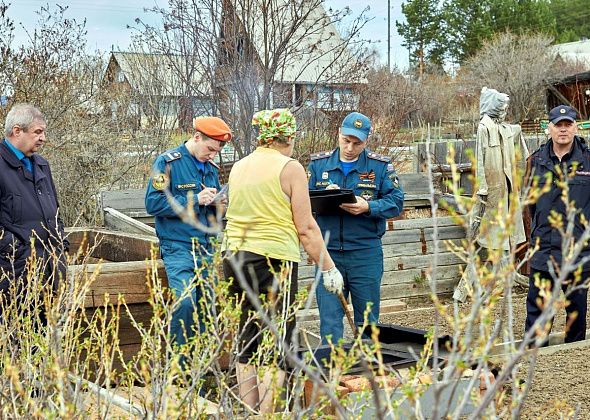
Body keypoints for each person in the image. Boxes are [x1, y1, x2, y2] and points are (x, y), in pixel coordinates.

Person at [222, 108, 342, 413]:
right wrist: (328, 267)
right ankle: (267, 415)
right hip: (272, 261)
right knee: (277, 343)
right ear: (287, 135)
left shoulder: (239, 166)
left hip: (234, 258)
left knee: (248, 339)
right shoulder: (290, 168)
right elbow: (305, 227)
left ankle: (249, 413)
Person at [308, 112, 404, 344]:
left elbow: (397, 202)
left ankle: (366, 375)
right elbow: (302, 203)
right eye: (346, 141)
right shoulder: (318, 164)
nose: (350, 147)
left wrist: (369, 206)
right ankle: (332, 375)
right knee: (330, 323)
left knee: (368, 324)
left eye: (357, 143)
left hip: (365, 254)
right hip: (328, 254)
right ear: (338, 134)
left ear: (366, 141)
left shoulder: (380, 167)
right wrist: (323, 196)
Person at [145, 116, 232, 353]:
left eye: (217, 151)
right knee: (185, 303)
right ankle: (180, 374)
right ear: (196, 137)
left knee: (208, 309)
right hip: (179, 247)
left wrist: (218, 204)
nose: (213, 155)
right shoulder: (167, 163)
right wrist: (194, 199)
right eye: (210, 149)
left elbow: (212, 211)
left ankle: (200, 373)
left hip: (207, 248)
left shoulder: (211, 168)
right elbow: (153, 203)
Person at [453, 87, 529, 302]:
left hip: (506, 194)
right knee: (484, 240)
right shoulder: (484, 127)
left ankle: (503, 281)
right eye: (501, 106)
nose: (504, 110)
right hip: (491, 196)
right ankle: (467, 289)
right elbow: (480, 158)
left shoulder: (503, 128)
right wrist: (484, 190)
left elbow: (514, 138)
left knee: (501, 239)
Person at [524, 105, 590, 344]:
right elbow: (528, 208)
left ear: (576, 127)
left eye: (568, 124)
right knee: (537, 320)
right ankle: (534, 364)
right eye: (558, 125)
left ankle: (571, 366)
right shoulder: (535, 162)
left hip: (577, 256)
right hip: (544, 254)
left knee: (576, 317)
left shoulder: (587, 162)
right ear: (548, 128)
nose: (563, 130)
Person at [0, 104, 68, 310]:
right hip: (14, 276)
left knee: (49, 337)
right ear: (17, 131)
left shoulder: (41, 165)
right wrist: (17, 253)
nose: (43, 138)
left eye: (44, 132)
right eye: (38, 132)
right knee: (18, 338)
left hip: (52, 272)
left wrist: (62, 246)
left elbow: (55, 212)